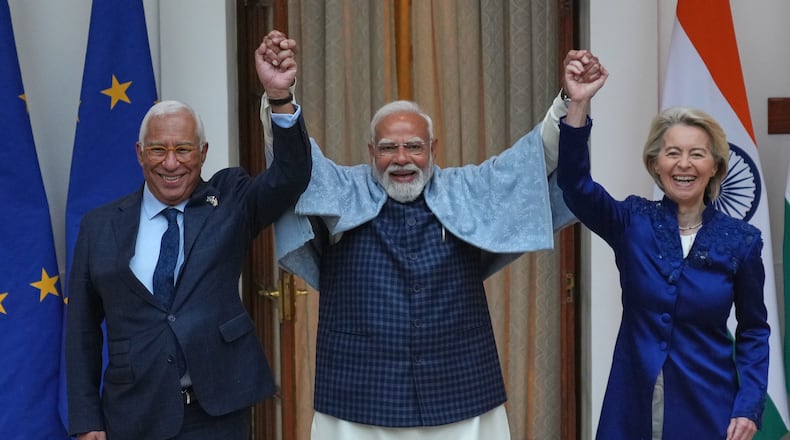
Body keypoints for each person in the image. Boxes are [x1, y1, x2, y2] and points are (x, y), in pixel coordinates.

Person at [260, 31, 602, 439]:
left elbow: (534, 158)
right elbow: (294, 163)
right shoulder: (341, 188)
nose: (401, 159)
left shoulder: (468, 188)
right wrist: (281, 98)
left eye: (414, 147)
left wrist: (571, 100)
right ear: (371, 152)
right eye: (388, 148)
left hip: (459, 386)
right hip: (359, 390)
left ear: (433, 148)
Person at [64, 38, 311, 440]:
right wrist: (87, 420)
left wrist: (280, 98)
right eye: (158, 150)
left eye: (183, 149)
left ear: (203, 152)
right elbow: (82, 332)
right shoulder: (100, 226)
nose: (172, 162)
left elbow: (290, 176)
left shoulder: (229, 199)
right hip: (134, 412)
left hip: (218, 410)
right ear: (140, 153)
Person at [557, 57, 769, 439]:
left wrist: (749, 404)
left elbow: (754, 330)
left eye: (696, 154)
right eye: (672, 153)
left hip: (709, 406)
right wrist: (578, 104)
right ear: (655, 164)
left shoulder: (742, 241)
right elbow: (575, 185)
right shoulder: (631, 222)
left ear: (715, 167)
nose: (683, 164)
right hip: (631, 404)